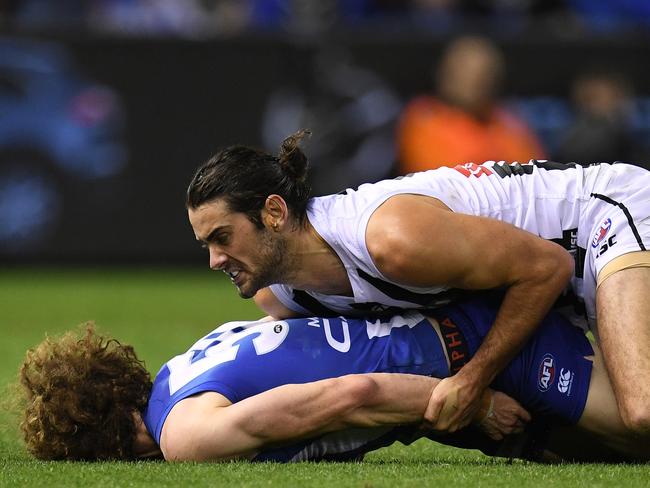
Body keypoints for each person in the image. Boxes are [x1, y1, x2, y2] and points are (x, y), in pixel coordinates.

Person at [185, 130, 650, 439]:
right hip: (560, 285)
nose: (214, 260)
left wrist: (472, 381)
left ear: (274, 212)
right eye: (205, 243)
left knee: (642, 410)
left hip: (601, 219)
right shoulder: (280, 293)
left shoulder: (390, 240)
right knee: (627, 442)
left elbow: (546, 266)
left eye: (222, 237)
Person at [16, 297, 649, 462]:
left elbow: (352, 394)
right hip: (443, 333)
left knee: (639, 428)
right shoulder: (187, 362)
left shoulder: (183, 433)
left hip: (475, 352)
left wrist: (476, 405)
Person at [396, 35, 546, 173]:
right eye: (466, 72)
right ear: (445, 74)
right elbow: (441, 177)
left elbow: (532, 175)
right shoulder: (423, 117)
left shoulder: (510, 122)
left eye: (485, 74)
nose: (476, 82)